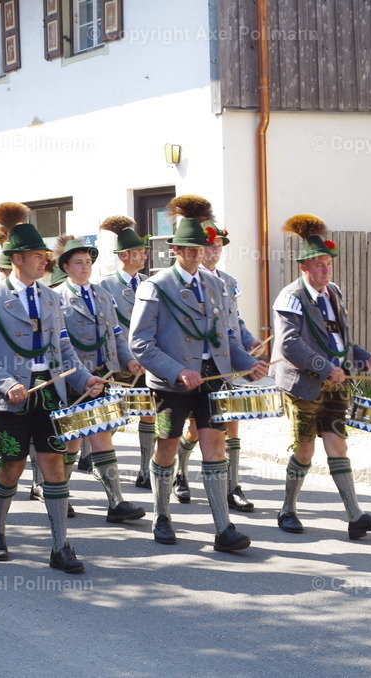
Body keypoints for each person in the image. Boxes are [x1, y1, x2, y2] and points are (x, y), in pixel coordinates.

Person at [0, 202, 104, 573]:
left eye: (45, 256)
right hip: (11, 400)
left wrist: (84, 379)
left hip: (50, 395)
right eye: (38, 256)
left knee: (54, 465)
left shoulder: (51, 297)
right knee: (12, 467)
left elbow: (64, 350)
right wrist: (6, 383)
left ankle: (60, 546)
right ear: (18, 259)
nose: (46, 261)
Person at [129, 207, 268, 552]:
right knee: (167, 446)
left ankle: (223, 527)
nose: (195, 255)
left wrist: (249, 364)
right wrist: (177, 370)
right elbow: (140, 343)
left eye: (199, 249)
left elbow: (228, 337)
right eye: (188, 249)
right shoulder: (155, 286)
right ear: (175, 250)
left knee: (214, 446)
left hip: (213, 380)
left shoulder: (216, 285)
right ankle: (162, 515)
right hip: (170, 384)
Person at [271, 214, 371, 539]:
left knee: (338, 446)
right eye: (319, 265)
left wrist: (365, 358)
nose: (326, 270)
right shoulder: (290, 297)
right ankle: (287, 510)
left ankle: (355, 516)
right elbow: (289, 345)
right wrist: (326, 368)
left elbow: (341, 341)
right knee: (305, 450)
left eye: (329, 264)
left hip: (337, 385)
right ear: (304, 267)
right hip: (303, 386)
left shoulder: (333, 292)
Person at [51, 234, 146, 524]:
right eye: (79, 262)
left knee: (101, 434)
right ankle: (60, 494)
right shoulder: (55, 297)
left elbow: (115, 334)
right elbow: (57, 344)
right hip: (72, 378)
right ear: (66, 267)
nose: (85, 267)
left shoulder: (103, 294)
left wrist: (128, 360)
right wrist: (78, 376)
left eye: (88, 262)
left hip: (103, 376)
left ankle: (116, 502)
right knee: (72, 441)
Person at [176, 222, 265, 511]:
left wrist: (249, 342)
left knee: (232, 422)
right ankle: (180, 471)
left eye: (218, 247)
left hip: (229, 360)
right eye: (209, 246)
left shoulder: (227, 281)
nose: (214, 251)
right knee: (194, 429)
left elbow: (234, 320)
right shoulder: (187, 281)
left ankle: (233, 487)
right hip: (199, 364)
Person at [97, 216, 156, 489]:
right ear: (123, 256)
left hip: (147, 360)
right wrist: (122, 357)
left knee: (148, 412)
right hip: (119, 362)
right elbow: (106, 327)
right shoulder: (106, 285)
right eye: (139, 252)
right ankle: (100, 462)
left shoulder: (148, 282)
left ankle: (145, 470)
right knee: (114, 415)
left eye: (144, 251)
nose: (144, 256)